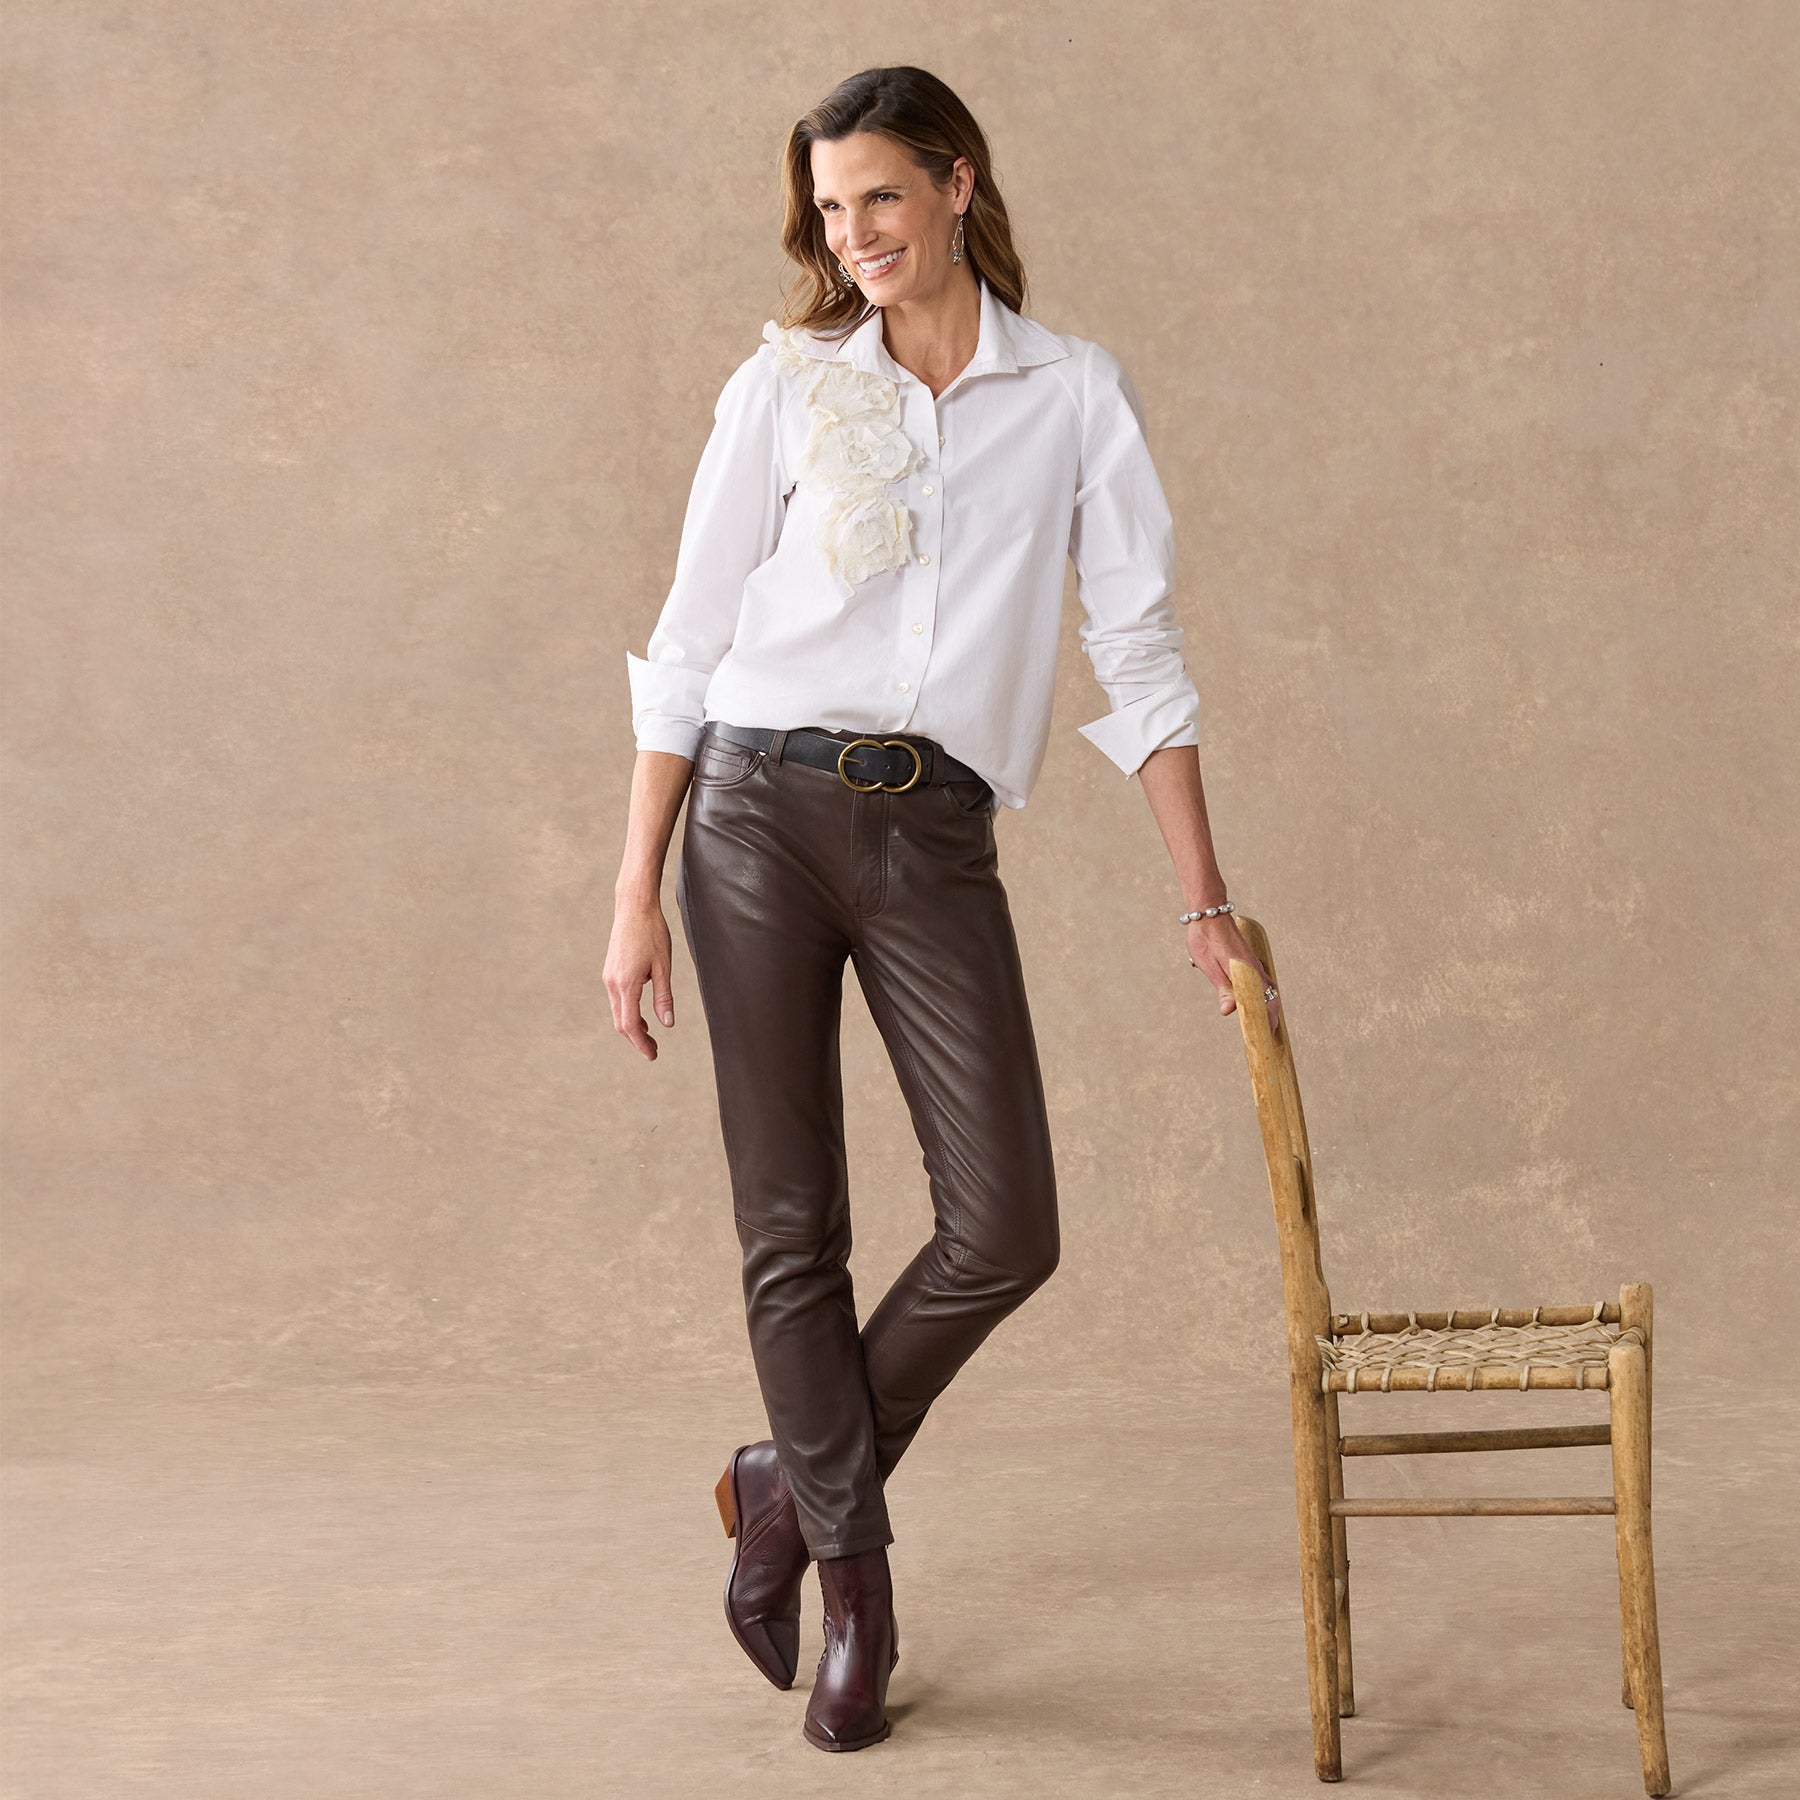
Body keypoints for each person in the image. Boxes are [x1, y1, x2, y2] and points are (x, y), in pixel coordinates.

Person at [605, 65, 1281, 1754]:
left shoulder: (1073, 395)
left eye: (882, 199)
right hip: (751, 817)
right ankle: (860, 1599)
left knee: (1005, 1227)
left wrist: (1204, 900)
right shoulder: (780, 388)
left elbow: (1137, 646)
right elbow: (688, 639)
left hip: (933, 834)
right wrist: (635, 895)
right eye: (831, 210)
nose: (855, 236)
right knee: (793, 1232)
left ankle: (785, 1484)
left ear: (959, 184)